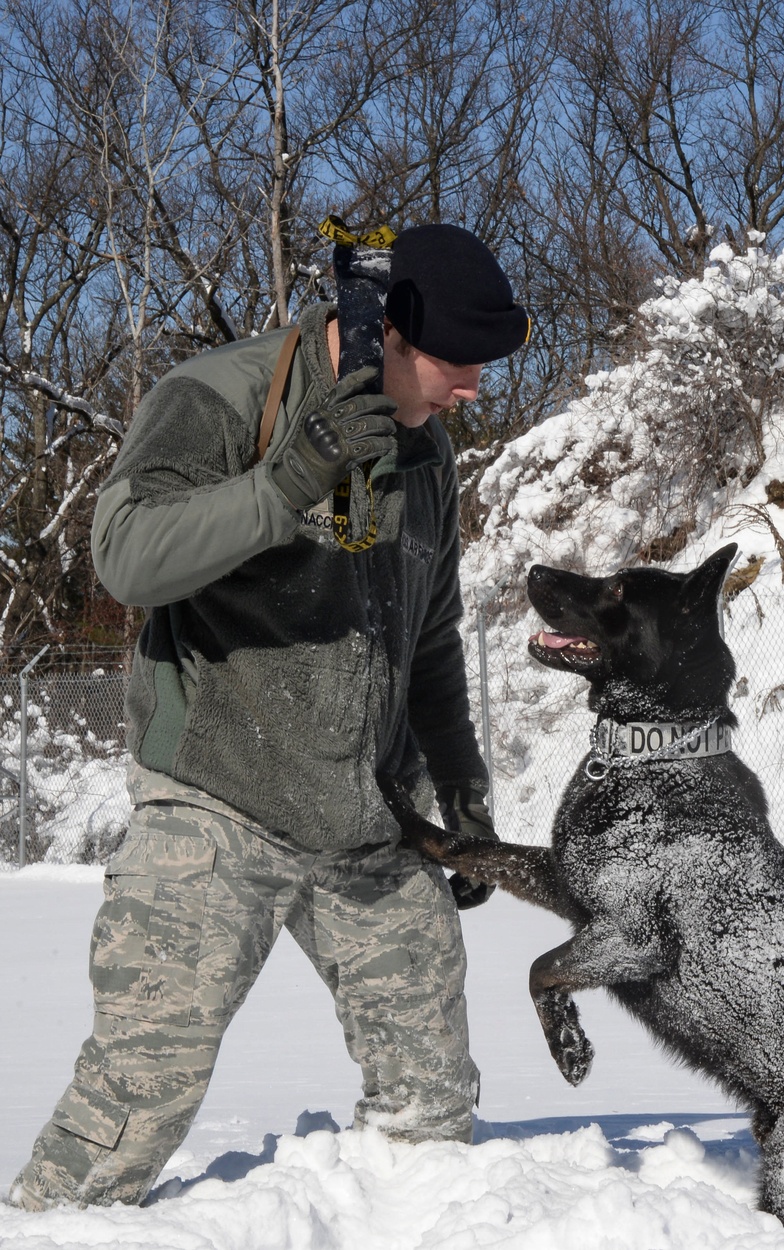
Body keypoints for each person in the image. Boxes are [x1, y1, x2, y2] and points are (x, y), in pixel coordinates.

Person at [9, 223, 530, 1211]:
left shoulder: (426, 459)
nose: (472, 388)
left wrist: (462, 795)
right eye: (459, 362)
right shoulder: (217, 400)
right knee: (130, 1106)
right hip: (214, 797)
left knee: (432, 1121)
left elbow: (431, 637)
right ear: (396, 333)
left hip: (369, 818)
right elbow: (125, 557)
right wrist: (292, 475)